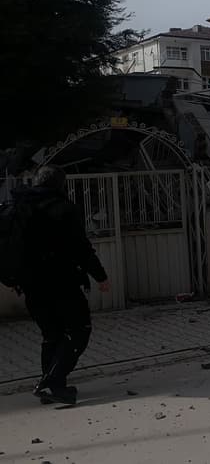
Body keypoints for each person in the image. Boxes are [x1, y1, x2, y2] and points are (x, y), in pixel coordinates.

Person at [14, 166, 110, 405]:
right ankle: (51, 382)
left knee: (52, 335)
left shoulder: (21, 208)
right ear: (60, 184)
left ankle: (53, 388)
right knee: (79, 330)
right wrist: (100, 276)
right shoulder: (64, 209)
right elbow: (81, 248)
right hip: (62, 283)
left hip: (31, 285)